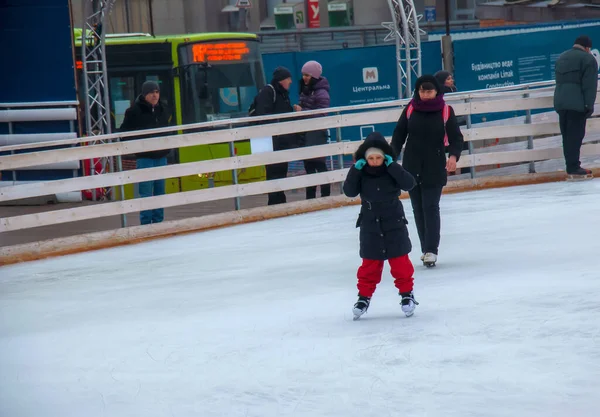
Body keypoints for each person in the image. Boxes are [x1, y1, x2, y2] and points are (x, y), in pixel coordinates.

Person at [342, 132, 418, 320]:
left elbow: (410, 184)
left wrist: (393, 166)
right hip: (370, 225)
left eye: (378, 157)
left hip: (394, 223)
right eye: (370, 158)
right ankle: (363, 298)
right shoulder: (360, 173)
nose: (375, 161)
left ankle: (407, 294)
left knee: (401, 264)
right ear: (364, 159)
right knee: (369, 265)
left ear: (385, 157)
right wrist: (355, 170)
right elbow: (349, 192)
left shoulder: (392, 171)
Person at [391, 75, 464, 267]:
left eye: (429, 91)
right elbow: (399, 135)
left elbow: (456, 138)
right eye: (422, 91)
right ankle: (425, 248)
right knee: (417, 209)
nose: (425, 94)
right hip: (412, 165)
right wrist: (390, 158)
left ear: (436, 91)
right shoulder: (411, 108)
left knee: (430, 207)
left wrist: (454, 157)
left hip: (434, 165)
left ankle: (432, 249)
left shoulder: (446, 110)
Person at [120, 80, 171, 225]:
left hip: (161, 156)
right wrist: (139, 144)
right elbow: (124, 133)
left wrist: (167, 148)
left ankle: (158, 222)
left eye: (157, 92)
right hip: (145, 158)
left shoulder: (164, 109)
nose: (155, 95)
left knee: (160, 191)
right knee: (146, 193)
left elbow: (169, 130)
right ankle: (145, 224)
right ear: (144, 94)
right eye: (151, 92)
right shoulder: (134, 111)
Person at [554, 35, 598, 179]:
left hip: (561, 103)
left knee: (566, 136)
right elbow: (589, 85)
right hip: (577, 104)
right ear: (587, 47)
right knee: (576, 136)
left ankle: (570, 165)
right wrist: (589, 105)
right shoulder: (588, 59)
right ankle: (574, 167)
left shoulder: (561, 57)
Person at [253, 66, 297, 205]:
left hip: (282, 141)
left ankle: (280, 201)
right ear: (281, 80)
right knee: (273, 172)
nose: (290, 81)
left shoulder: (282, 94)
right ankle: (274, 203)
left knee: (281, 171)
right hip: (272, 141)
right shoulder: (268, 91)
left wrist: (293, 111)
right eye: (288, 78)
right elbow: (263, 115)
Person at [293, 60, 332, 199]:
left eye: (308, 75)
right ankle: (310, 197)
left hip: (317, 132)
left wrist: (302, 111)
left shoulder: (321, 92)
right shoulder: (305, 90)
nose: (305, 78)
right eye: (303, 75)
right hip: (306, 131)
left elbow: (322, 113)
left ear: (314, 75)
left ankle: (325, 195)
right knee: (309, 166)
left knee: (319, 165)